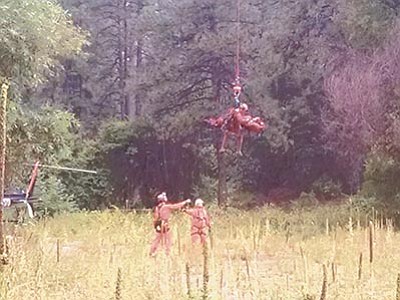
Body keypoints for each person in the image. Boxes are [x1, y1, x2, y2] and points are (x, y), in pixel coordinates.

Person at [149, 192, 191, 256]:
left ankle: (152, 252)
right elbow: (176, 206)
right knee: (168, 240)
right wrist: (185, 202)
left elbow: (156, 218)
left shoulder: (157, 208)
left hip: (159, 225)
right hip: (165, 225)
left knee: (156, 240)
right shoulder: (166, 207)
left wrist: (155, 225)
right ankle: (167, 253)